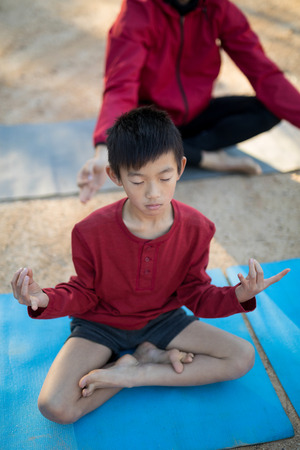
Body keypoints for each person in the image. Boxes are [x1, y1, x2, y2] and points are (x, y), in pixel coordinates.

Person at [12, 107, 289, 425]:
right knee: (54, 407)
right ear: (115, 175)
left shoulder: (198, 228)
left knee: (242, 356)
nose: (153, 192)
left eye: (165, 177)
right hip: (100, 324)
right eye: (138, 180)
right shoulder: (89, 231)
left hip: (164, 320)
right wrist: (44, 298)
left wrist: (240, 294)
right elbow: (83, 293)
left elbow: (196, 294)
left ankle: (137, 371)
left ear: (181, 167)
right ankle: (135, 361)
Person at [77, 0, 300, 204]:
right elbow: (120, 86)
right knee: (135, 138)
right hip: (153, 121)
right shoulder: (138, 10)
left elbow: (265, 74)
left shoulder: (218, 7)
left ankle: (174, 154)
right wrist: (106, 149)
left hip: (197, 113)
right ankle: (207, 158)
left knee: (269, 109)